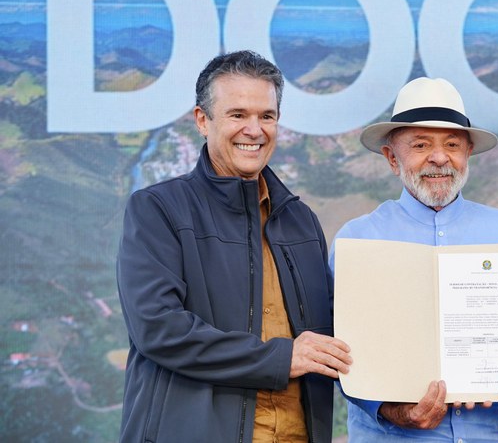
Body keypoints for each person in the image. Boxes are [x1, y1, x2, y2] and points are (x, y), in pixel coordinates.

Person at [116, 50, 352, 443]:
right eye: (238, 115)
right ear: (202, 120)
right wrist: (281, 358)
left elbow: (336, 334)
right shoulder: (158, 209)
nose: (254, 130)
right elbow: (159, 329)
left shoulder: (301, 220)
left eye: (267, 116)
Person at [331, 77, 498, 442]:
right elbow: (338, 349)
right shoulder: (357, 240)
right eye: (421, 145)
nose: (439, 158)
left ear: (467, 153)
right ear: (392, 158)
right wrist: (389, 409)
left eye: (452, 144)